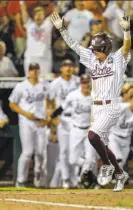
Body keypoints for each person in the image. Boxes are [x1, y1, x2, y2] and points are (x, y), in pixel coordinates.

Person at [51, 10, 131, 192]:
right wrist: (62, 30)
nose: (95, 53)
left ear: (107, 48)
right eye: (94, 49)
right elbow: (75, 46)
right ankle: (120, 173)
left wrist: (127, 31)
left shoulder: (117, 60)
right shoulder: (92, 59)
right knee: (101, 143)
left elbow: (126, 48)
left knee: (92, 136)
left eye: (98, 50)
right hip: (96, 108)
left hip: (111, 106)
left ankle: (108, 165)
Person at [51, 74, 98, 188]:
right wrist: (52, 116)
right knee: (72, 160)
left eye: (87, 83)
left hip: (89, 130)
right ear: (80, 84)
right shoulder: (73, 95)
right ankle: (85, 172)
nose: (85, 85)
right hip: (76, 129)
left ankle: (83, 180)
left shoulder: (95, 96)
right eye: (83, 83)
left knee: (91, 158)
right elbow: (62, 107)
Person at [9, 62, 50, 188]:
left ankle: (38, 175)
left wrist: (48, 117)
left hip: (41, 122)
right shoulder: (21, 86)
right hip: (26, 122)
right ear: (28, 71)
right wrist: (25, 114)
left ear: (39, 70)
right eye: (32, 69)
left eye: (36, 69)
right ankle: (21, 180)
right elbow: (12, 104)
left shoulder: (45, 84)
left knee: (41, 153)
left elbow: (50, 102)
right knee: (27, 152)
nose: (34, 72)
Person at [48, 59, 80, 189]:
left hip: (76, 119)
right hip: (63, 119)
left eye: (70, 66)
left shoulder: (78, 82)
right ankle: (66, 179)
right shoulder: (55, 83)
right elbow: (49, 101)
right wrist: (53, 119)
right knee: (64, 151)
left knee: (76, 151)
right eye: (65, 66)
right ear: (61, 68)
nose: (68, 68)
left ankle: (74, 179)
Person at [19, 1, 57, 76]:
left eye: (40, 14)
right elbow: (23, 10)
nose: (38, 16)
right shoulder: (29, 24)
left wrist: (59, 3)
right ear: (33, 16)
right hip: (30, 57)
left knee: (45, 81)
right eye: (36, 14)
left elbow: (56, 11)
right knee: (30, 80)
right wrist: (22, 2)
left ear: (44, 16)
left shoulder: (48, 24)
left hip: (45, 58)